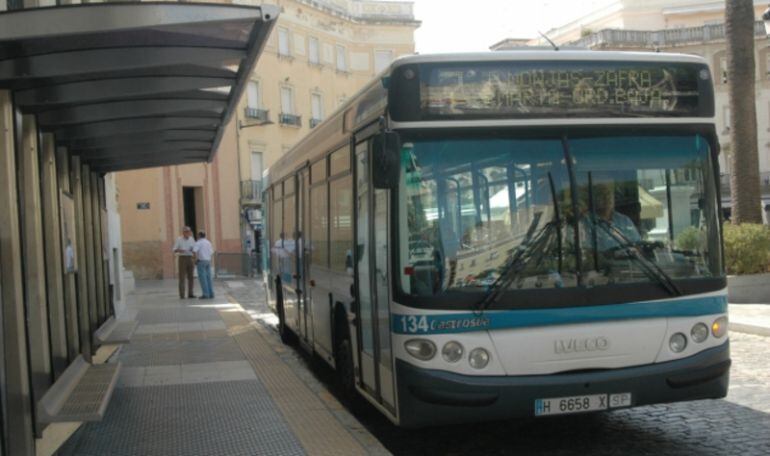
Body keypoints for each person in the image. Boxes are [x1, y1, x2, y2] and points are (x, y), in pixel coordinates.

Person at [582, 182, 641, 252]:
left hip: (630, 261)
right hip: (602, 262)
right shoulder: (586, 223)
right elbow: (587, 252)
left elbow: (638, 245)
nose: (607, 198)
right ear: (593, 200)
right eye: (601, 195)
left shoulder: (624, 220)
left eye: (609, 194)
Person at [172, 226, 196, 298]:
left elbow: (195, 248)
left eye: (188, 232)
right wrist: (180, 250)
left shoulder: (192, 239)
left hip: (190, 258)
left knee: (191, 277)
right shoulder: (179, 239)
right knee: (182, 277)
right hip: (182, 258)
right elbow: (174, 249)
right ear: (183, 232)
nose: (187, 233)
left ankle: (190, 293)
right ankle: (182, 294)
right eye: (186, 232)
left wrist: (193, 251)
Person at [193, 230, 214, 299]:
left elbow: (194, 251)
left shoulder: (198, 242)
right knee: (209, 278)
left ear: (199, 235)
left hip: (201, 261)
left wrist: (195, 259)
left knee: (203, 278)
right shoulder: (208, 242)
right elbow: (211, 252)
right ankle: (211, 293)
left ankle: (205, 294)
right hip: (208, 261)